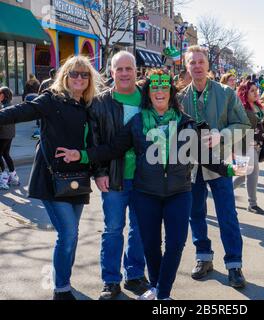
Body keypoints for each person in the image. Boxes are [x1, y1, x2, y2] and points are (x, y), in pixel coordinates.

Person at [55, 69, 245, 300]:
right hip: (145, 194)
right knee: (151, 246)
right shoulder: (136, 123)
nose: (159, 91)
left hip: (179, 193)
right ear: (148, 93)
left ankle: (162, 294)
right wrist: (82, 155)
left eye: (164, 86)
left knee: (175, 245)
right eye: (154, 87)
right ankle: (156, 288)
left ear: (171, 92)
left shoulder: (186, 123)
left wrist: (228, 169)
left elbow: (203, 155)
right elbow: (112, 149)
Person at [0, 55, 102, 300]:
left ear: (90, 80)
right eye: (74, 74)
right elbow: (16, 112)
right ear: (65, 77)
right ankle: (61, 288)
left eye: (84, 74)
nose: (79, 78)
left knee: (72, 233)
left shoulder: (90, 106)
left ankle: (62, 277)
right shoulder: (51, 100)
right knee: (68, 233)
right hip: (51, 178)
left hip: (78, 180)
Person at [178, 45, 251, 288]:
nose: (197, 66)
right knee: (195, 213)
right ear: (186, 66)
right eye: (192, 62)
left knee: (227, 214)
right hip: (192, 167)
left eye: (201, 61)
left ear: (208, 65)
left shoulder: (225, 93)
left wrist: (222, 135)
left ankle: (234, 264)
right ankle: (203, 257)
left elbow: (243, 125)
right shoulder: (179, 98)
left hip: (219, 165)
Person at [89, 51, 148, 300]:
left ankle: (134, 274)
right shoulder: (100, 102)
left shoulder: (148, 99)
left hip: (145, 177)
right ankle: (110, 280)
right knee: (113, 229)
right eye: (119, 69)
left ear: (137, 71)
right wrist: (99, 172)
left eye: (129, 68)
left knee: (141, 228)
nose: (124, 73)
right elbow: (95, 139)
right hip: (114, 176)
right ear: (111, 72)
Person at [233, 80, 264, 215]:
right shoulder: (240, 108)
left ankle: (225, 193)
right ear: (244, 93)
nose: (256, 92)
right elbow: (236, 128)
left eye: (256, 90)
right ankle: (252, 204)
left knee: (241, 175)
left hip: (256, 144)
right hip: (244, 145)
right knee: (253, 172)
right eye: (252, 90)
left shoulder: (257, 106)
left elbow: (261, 126)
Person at [0, 87, 19, 190]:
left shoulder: (3, 107)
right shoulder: (10, 106)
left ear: (4, 95)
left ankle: (3, 179)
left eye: (0, 94)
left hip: (3, 135)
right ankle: (13, 176)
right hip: (9, 135)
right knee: (6, 154)